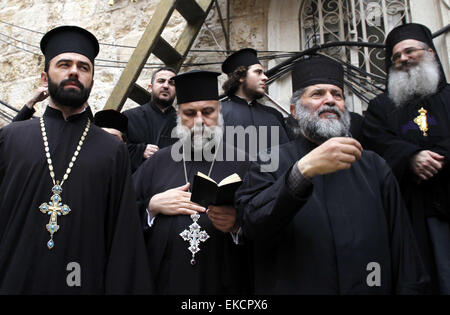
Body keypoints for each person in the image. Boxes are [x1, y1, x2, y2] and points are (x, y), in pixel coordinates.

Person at [235, 55, 428, 294]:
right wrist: (301, 172)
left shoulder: (374, 165)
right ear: (294, 110)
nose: (330, 101)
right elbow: (252, 224)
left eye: (337, 95)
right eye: (317, 94)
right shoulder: (269, 161)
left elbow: (403, 248)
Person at [0, 25, 152, 294]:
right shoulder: (11, 138)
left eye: (84, 67)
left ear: (91, 80)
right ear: (45, 78)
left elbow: (122, 237)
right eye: (64, 64)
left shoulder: (111, 150)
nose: (74, 71)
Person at [133, 70, 251, 294]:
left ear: (219, 114)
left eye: (207, 112)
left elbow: (262, 222)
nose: (199, 122)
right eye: (190, 113)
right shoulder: (157, 162)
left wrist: (236, 226)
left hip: (222, 283)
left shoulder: (244, 163)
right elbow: (121, 216)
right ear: (179, 116)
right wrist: (151, 208)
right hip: (163, 281)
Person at [362, 23, 450, 294]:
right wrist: (410, 156)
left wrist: (440, 157)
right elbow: (376, 142)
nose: (402, 58)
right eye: (396, 56)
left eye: (409, 51)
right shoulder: (380, 107)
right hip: (412, 211)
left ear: (431, 53)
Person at [221, 48, 290, 155]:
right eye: (258, 72)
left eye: (264, 73)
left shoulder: (274, 115)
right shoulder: (217, 114)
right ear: (240, 76)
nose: (265, 77)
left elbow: (285, 157)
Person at [123, 67, 177, 172]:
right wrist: (140, 151)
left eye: (171, 83)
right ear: (150, 88)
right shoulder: (129, 117)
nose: (166, 86)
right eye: (161, 81)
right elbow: (115, 150)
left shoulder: (185, 123)